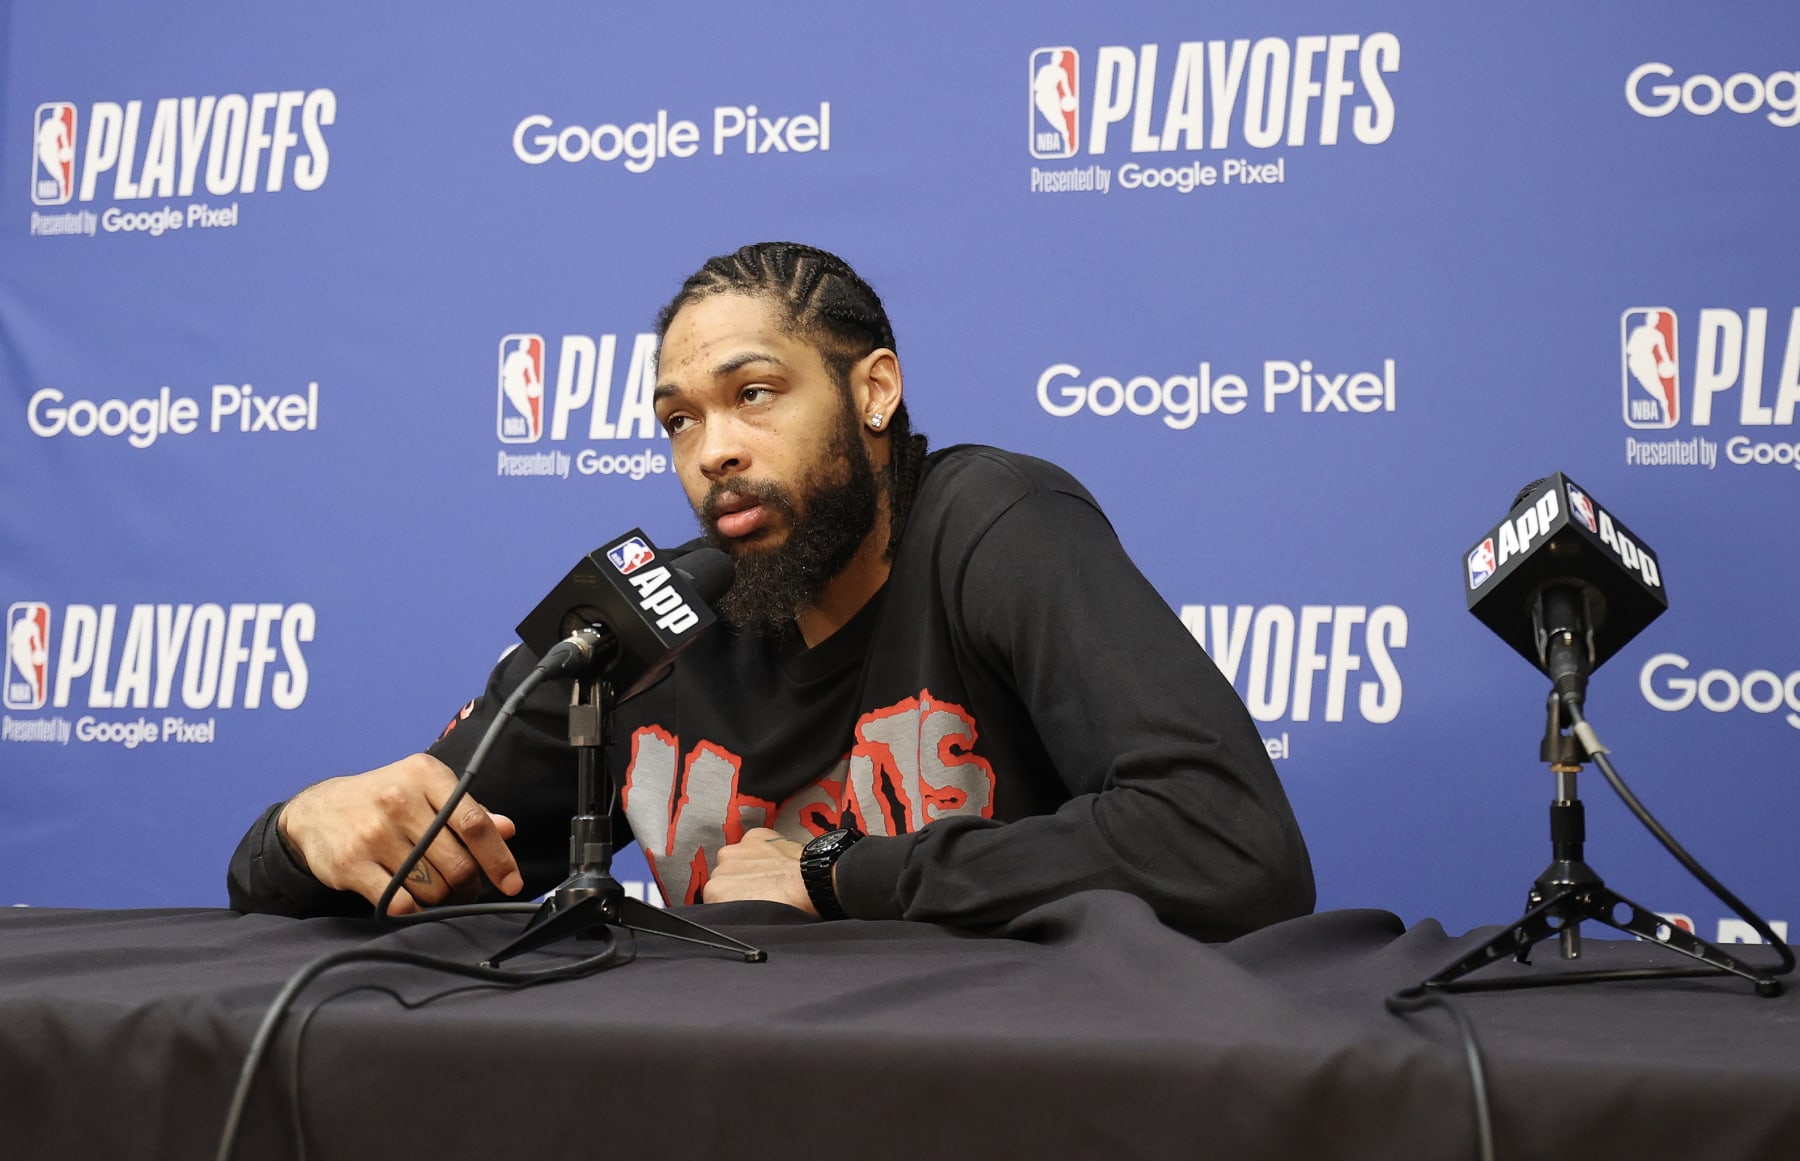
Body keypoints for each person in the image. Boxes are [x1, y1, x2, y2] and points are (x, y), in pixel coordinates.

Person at [228, 242, 1314, 937]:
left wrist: (842, 872)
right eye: (679, 419)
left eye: (754, 393)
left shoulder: (993, 524)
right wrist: (302, 827)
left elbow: (1226, 841)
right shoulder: (649, 617)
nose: (713, 450)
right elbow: (400, 850)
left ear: (874, 391)